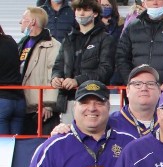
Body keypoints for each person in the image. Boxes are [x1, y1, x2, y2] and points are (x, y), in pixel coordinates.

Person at [52, 0, 116, 114]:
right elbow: (58, 65)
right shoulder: (68, 39)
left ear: (95, 13)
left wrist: (78, 81)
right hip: (67, 99)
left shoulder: (106, 39)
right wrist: (56, 78)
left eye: (86, 10)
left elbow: (106, 70)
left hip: (94, 98)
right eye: (78, 10)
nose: (81, 14)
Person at [18, 6, 62, 136]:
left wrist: (48, 105)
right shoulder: (22, 43)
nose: (20, 22)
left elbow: (54, 74)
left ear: (32, 22)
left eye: (24, 19)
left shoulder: (52, 45)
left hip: (42, 108)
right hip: (24, 105)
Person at [115, 0, 163, 85]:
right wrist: (130, 80)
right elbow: (122, 57)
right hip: (138, 88)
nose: (155, 2)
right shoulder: (132, 27)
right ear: (143, 3)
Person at [109, 64, 160, 138]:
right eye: (138, 84)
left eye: (150, 84)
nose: (144, 88)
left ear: (159, 91)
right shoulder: (110, 123)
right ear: (127, 91)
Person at [0, 25, 25, 135]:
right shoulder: (10, 41)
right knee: (17, 146)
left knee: (3, 147)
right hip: (19, 100)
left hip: (2, 101)